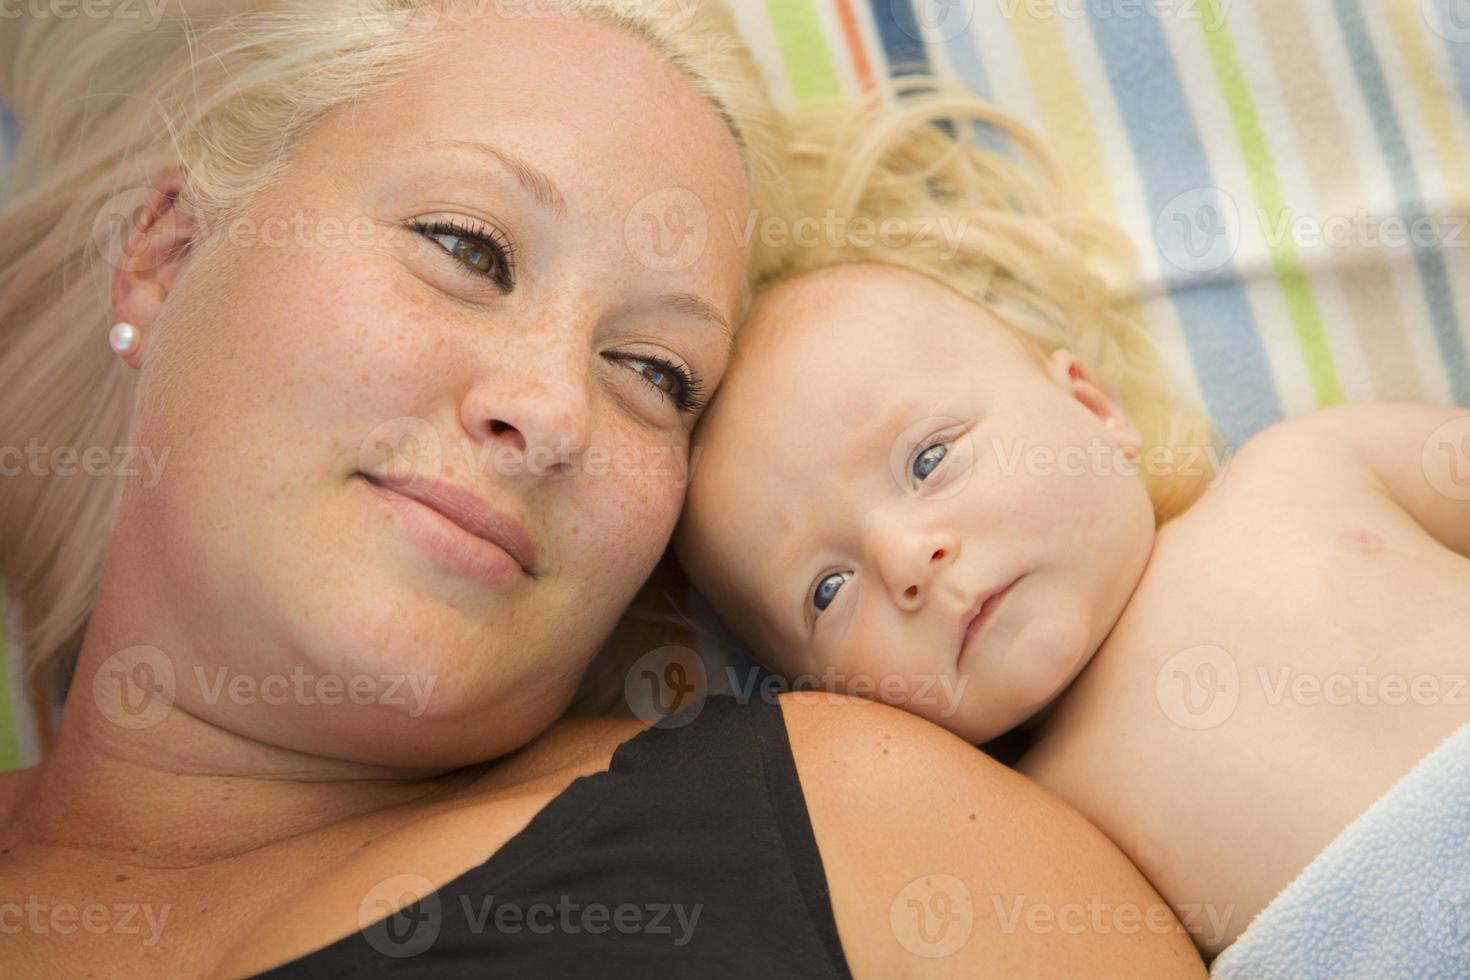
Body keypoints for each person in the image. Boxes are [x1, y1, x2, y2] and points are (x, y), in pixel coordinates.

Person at [0, 3, 1205, 976]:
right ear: (164, 254)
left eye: (653, 373)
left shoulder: (870, 829)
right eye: (467, 246)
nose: (553, 411)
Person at [674, 82, 1470, 959]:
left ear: (1092, 408)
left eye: (930, 460)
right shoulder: (1034, 833)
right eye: (827, 591)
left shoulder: (1308, 468)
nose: (906, 557)